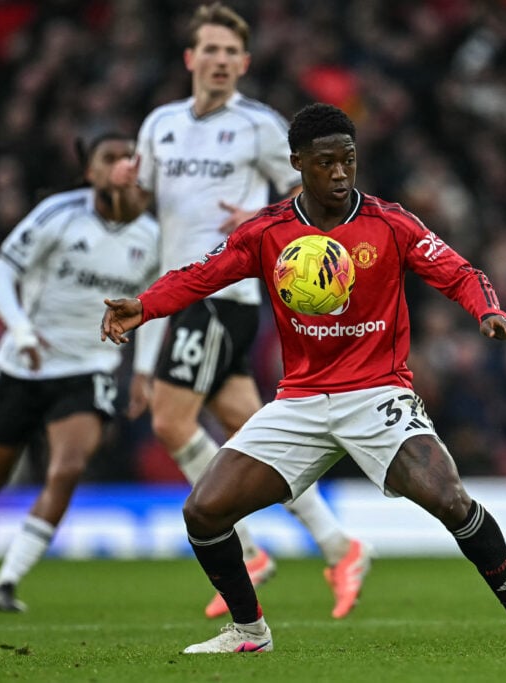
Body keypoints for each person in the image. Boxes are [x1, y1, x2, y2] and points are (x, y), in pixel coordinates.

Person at [101, 102, 506, 652]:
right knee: (203, 511)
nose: (341, 173)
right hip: (300, 400)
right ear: (298, 162)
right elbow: (201, 275)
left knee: (450, 498)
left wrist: (486, 309)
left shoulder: (390, 222)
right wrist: (145, 307)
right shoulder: (267, 232)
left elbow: (458, 270)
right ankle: (250, 631)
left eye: (348, 160)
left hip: (378, 392)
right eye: (326, 163)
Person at [110, 2, 370, 620]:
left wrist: (260, 220)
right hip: (183, 295)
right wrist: (125, 188)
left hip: (225, 296)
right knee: (254, 437)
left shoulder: (257, 125)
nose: (222, 61)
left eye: (232, 53)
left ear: (244, 63)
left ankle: (247, 546)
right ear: (190, 58)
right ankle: (340, 545)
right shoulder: (160, 126)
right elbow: (143, 211)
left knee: (173, 424)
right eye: (212, 50)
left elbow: (314, 183)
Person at [0, 132, 161, 611]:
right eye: (110, 157)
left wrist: (143, 373)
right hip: (25, 364)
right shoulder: (58, 215)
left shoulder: (150, 237)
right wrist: (21, 331)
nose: (122, 164)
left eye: (130, 156)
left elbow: (149, 309)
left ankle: (5, 583)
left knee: (67, 467)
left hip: (89, 368)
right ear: (90, 172)